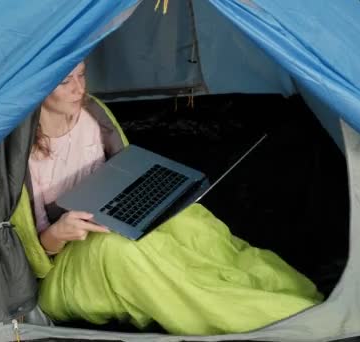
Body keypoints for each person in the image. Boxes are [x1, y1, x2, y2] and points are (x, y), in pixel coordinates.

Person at [16, 61, 323, 335]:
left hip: (109, 218)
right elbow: (33, 256)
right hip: (64, 264)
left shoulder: (92, 112)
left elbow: (122, 169)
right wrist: (57, 234)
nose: (79, 89)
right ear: (39, 87)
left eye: (82, 75)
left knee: (188, 221)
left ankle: (270, 292)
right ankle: (267, 317)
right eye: (65, 81)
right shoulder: (18, 155)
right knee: (124, 253)